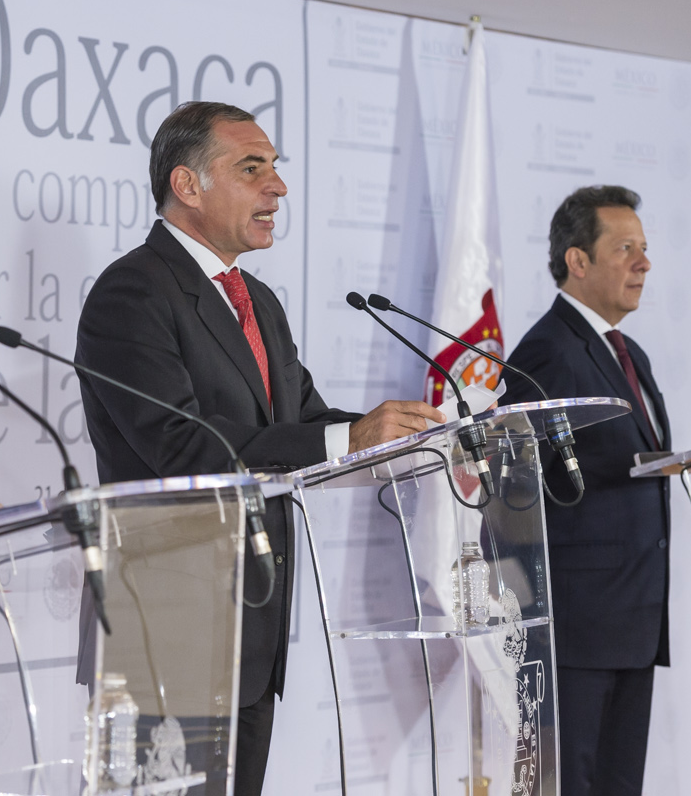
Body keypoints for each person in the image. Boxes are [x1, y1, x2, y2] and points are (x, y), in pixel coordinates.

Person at [74, 101, 445, 796]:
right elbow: (180, 446)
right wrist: (348, 437)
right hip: (165, 633)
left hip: (253, 625)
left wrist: (412, 434)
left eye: (275, 167)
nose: (278, 187)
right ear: (187, 185)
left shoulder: (257, 299)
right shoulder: (134, 291)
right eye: (252, 169)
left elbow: (304, 420)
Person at [502, 185, 670, 796]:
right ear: (578, 260)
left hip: (633, 618)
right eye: (625, 249)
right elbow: (514, 485)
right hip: (575, 628)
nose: (643, 263)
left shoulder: (630, 353)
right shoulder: (548, 351)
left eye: (643, 248)